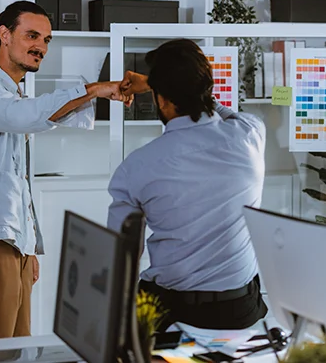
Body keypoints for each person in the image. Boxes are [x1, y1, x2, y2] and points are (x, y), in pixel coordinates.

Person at [0, 0, 131, 341]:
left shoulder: (10, 91)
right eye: (31, 36)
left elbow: (16, 180)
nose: (40, 47)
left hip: (12, 241)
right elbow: (27, 116)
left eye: (46, 40)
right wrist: (95, 90)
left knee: (18, 348)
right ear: (4, 34)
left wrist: (28, 249)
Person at [109, 38, 268, 331]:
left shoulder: (138, 166)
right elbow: (221, 111)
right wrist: (166, 86)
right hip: (239, 310)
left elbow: (121, 256)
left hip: (171, 314)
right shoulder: (250, 135)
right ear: (208, 88)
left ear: (162, 100)